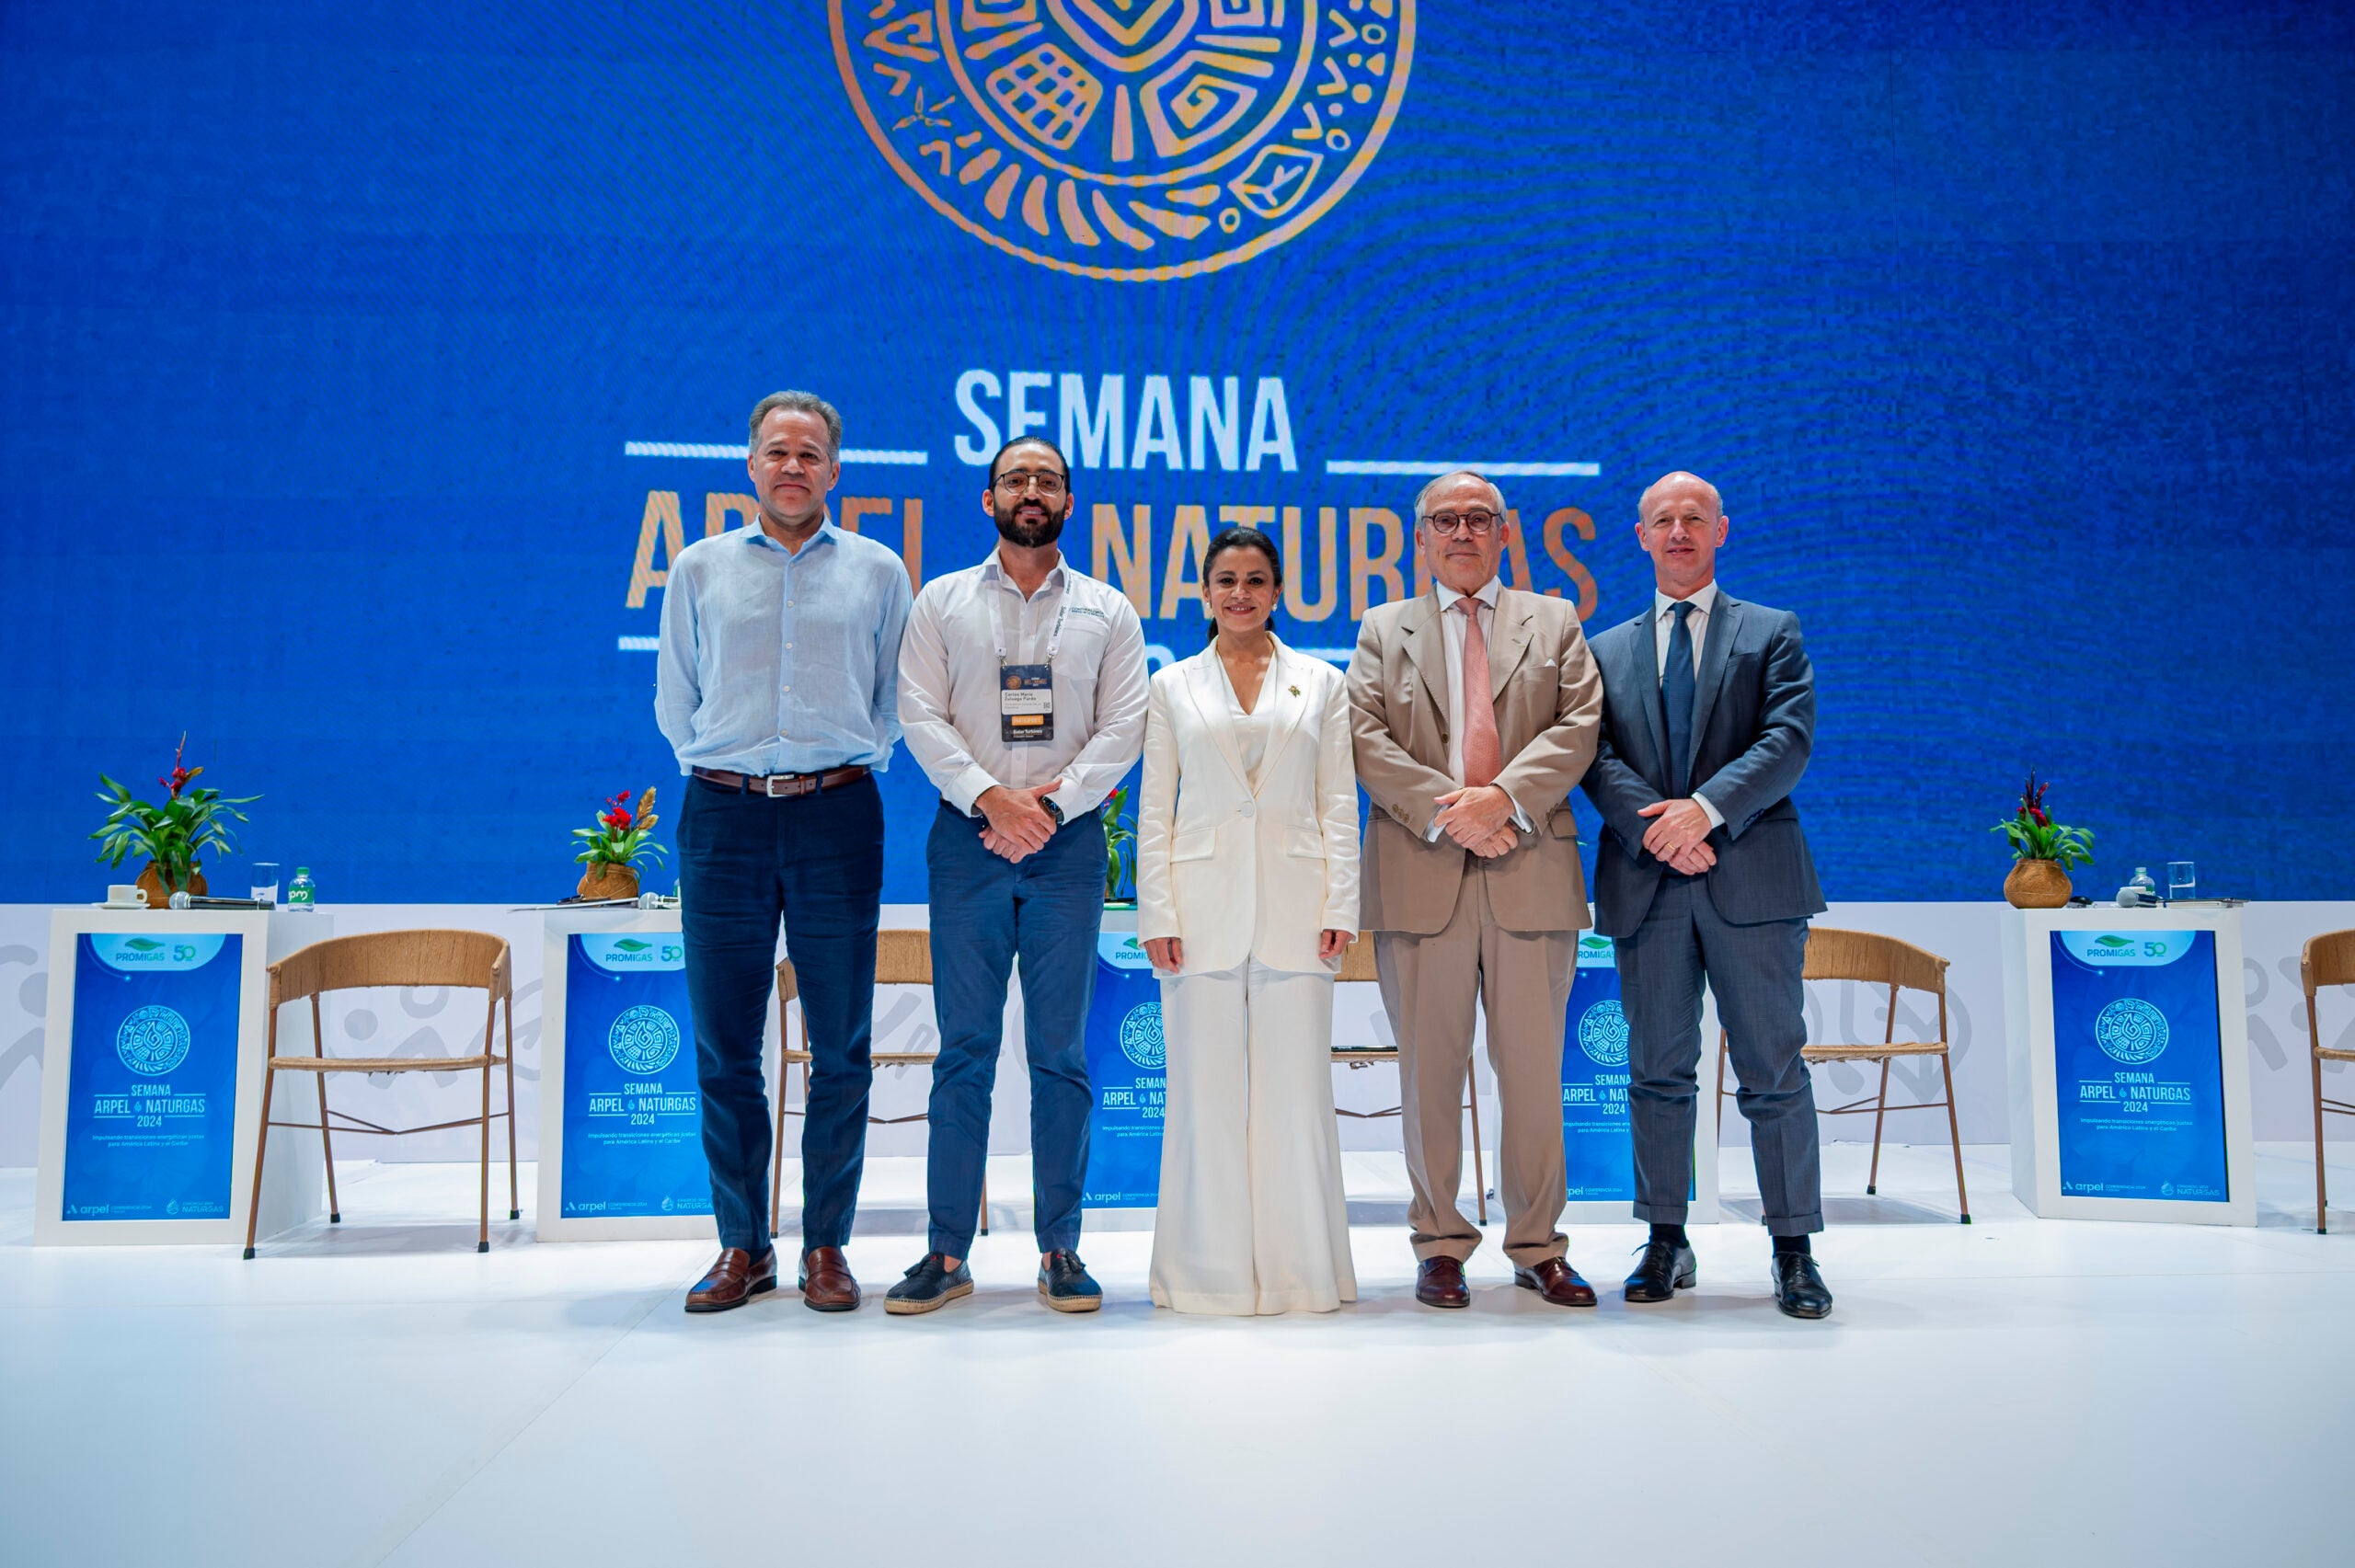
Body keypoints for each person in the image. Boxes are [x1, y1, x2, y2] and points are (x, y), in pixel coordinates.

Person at [657, 390, 912, 1314]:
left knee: (840, 1046)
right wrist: (725, 767)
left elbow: (892, 699)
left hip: (835, 815)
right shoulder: (698, 567)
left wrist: (845, 760)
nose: (792, 466)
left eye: (809, 453)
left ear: (834, 470)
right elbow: (676, 697)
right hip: (721, 816)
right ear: (751, 465)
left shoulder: (879, 571)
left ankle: (826, 1245)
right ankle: (743, 1243)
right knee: (726, 1046)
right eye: (777, 451)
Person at [890, 434, 1149, 1314]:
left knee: (1060, 1054)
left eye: (1046, 480)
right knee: (963, 1050)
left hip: (1067, 849)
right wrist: (991, 799)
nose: (1029, 490)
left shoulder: (1109, 610)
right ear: (988, 498)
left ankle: (1060, 1248)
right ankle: (947, 1251)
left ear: (1069, 501)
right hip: (968, 842)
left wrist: (1048, 808)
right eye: (1014, 479)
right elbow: (919, 714)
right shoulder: (941, 601)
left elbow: (1124, 726)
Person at [1346, 471, 1604, 1310]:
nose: (1462, 532)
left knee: (1532, 1075)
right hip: (1421, 876)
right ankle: (1440, 1243)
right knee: (1428, 1075)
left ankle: (1538, 1245)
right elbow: (1364, 736)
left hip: (1530, 868)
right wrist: (1451, 812)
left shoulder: (1554, 621)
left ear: (1504, 532)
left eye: (1479, 519)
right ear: (1420, 536)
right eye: (1445, 519)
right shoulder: (1382, 628)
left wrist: (1503, 801)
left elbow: (1579, 726)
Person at [1580, 471, 1833, 1319]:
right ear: (1641, 536)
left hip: (1751, 880)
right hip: (1648, 881)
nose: (1679, 531)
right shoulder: (1602, 649)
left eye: (1695, 517)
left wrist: (1704, 810)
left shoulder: (1771, 631)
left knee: (1773, 1071)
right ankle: (1665, 1238)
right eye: (1663, 519)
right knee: (1656, 1071)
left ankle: (1793, 1249)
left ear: (1722, 529)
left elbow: (1788, 740)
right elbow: (1591, 755)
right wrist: (1658, 827)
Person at [1137, 526, 1361, 1315]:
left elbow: (1340, 802)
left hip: (1300, 909)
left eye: (1256, 579)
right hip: (1197, 912)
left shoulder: (1322, 682)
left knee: (1296, 1100)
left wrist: (1341, 904)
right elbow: (1155, 807)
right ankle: (1205, 1277)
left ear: (1277, 591)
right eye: (1226, 580)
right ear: (1204, 592)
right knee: (1203, 1100)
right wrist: (1156, 909)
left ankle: (1305, 1276)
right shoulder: (1171, 685)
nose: (1240, 593)